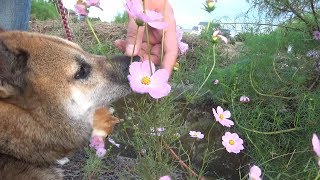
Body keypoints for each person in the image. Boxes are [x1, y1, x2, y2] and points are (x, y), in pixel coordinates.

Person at [114, 0, 178, 75]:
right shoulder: (137, 5)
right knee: (136, 55)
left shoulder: (164, 20)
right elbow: (138, 12)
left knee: (140, 57)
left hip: (154, 44)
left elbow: (171, 51)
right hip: (145, 42)